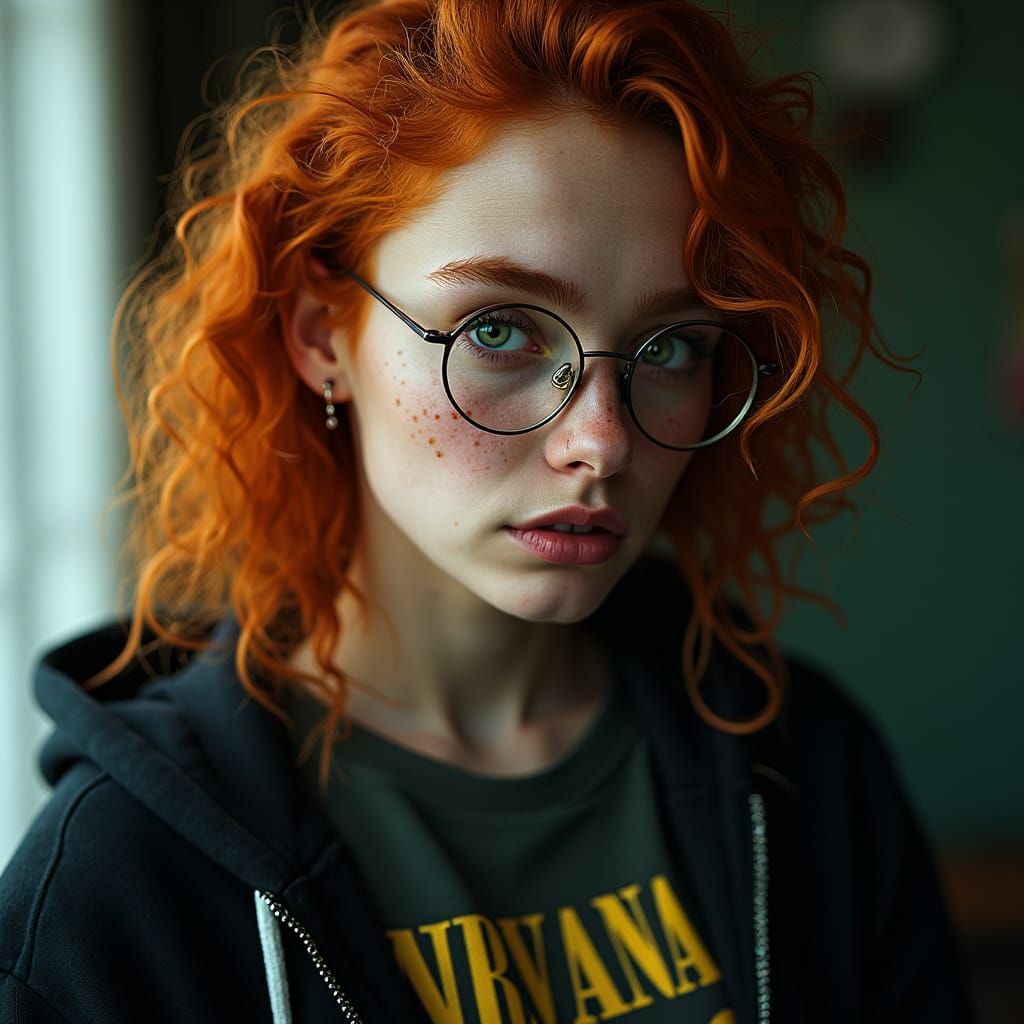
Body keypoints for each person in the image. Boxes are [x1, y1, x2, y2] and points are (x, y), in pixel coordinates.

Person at [0, 1, 972, 1021]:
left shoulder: (806, 770)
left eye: (671, 346)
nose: (601, 440)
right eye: (500, 328)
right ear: (321, 335)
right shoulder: (121, 880)